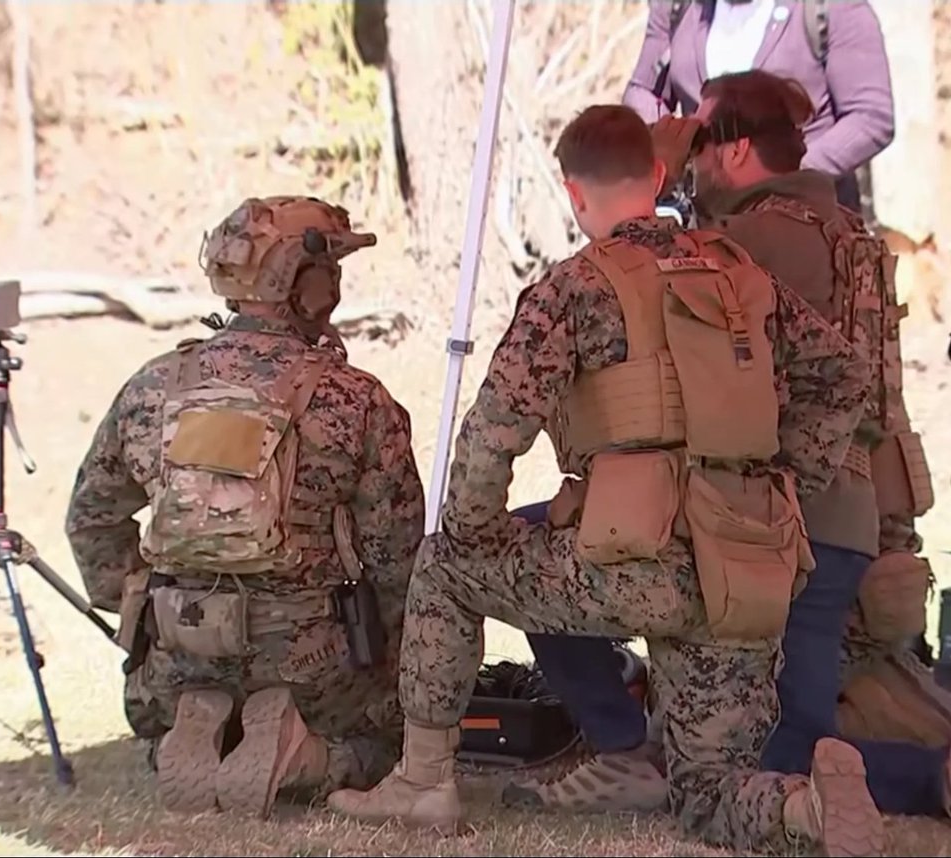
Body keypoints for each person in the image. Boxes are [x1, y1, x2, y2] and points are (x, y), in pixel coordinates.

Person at [326, 104, 879, 855]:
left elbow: (494, 433)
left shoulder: (572, 289)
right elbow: (844, 376)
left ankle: (424, 784)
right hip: (743, 563)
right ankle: (803, 810)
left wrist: (474, 528)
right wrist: (789, 478)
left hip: (628, 562)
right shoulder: (739, 274)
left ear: (572, 192)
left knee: (446, 566)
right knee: (706, 789)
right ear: (657, 176)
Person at [525, 69, 951, 823]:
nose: (693, 161)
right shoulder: (848, 230)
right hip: (852, 519)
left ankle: (626, 743)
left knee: (772, 754)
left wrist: (651, 175)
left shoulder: (751, 240)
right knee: (790, 733)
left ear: (740, 149)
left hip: (773, 524)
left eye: (701, 142)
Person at [63, 195, 425, 820]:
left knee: (164, 724)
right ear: (309, 286)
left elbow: (92, 519)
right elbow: (398, 560)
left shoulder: (155, 384)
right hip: (311, 658)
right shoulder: (356, 398)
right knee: (386, 740)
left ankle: (186, 736)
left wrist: (141, 611)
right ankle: (305, 756)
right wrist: (382, 652)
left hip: (180, 648)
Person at [623, 0, 894, 212]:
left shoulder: (830, 9)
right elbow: (644, 89)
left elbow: (871, 116)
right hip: (703, 226)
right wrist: (668, 140)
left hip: (803, 228)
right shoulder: (678, 7)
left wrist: (784, 176)